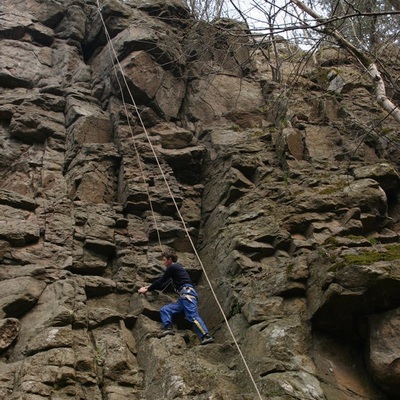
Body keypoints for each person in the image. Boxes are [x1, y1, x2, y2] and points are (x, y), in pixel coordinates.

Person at [138, 250, 214, 345]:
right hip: (182, 298)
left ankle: (205, 336)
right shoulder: (175, 272)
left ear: (170, 260)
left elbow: (162, 280)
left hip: (187, 294)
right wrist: (147, 287)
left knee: (192, 316)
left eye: (164, 260)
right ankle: (168, 328)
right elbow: (162, 285)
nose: (163, 262)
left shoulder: (173, 267)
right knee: (165, 310)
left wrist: (147, 289)